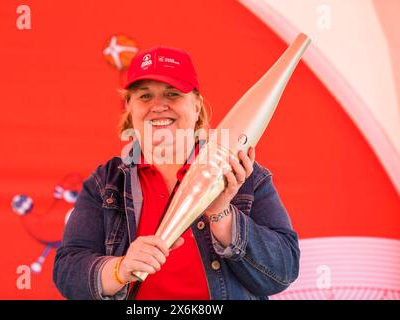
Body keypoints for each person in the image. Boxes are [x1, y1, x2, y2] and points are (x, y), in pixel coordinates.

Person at [53, 46, 300, 300]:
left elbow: (283, 271)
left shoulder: (242, 175)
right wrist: (120, 269)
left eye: (172, 94)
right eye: (145, 96)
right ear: (129, 107)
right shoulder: (106, 182)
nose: (158, 106)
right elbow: (67, 271)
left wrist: (222, 215)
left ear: (196, 106)